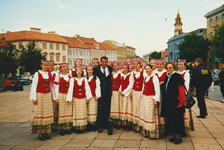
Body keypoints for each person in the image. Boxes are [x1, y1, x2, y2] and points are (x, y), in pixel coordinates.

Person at [161, 61, 186, 144]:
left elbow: (181, 90)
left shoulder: (177, 76)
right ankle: (174, 135)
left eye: (170, 68)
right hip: (169, 103)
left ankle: (178, 136)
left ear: (174, 68)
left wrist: (182, 101)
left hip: (176, 103)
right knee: (171, 119)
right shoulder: (167, 76)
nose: (168, 69)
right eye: (167, 68)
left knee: (177, 120)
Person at [29, 60, 54, 141]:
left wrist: (53, 96)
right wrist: (34, 98)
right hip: (39, 95)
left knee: (47, 113)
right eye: (44, 65)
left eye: (47, 65)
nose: (46, 66)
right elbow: (34, 86)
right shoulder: (37, 74)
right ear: (41, 65)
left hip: (47, 95)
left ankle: (46, 132)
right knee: (40, 113)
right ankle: (41, 133)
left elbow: (51, 85)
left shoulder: (49, 74)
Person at [66, 66, 92, 134]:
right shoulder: (72, 80)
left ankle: (82, 127)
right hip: (75, 98)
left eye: (80, 71)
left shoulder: (84, 79)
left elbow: (87, 88)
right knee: (76, 113)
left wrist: (87, 97)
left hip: (83, 98)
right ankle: (77, 127)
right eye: (78, 71)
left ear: (82, 72)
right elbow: (70, 89)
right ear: (76, 72)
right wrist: (70, 99)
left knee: (82, 112)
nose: (79, 72)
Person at [139, 64, 161, 139]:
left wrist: (156, 100)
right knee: (145, 114)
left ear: (151, 69)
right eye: (146, 69)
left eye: (148, 68)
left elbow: (157, 89)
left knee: (150, 115)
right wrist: (142, 95)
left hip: (151, 97)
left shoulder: (154, 77)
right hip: (145, 97)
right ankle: (146, 131)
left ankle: (152, 133)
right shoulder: (145, 77)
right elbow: (143, 87)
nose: (147, 70)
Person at [93, 56, 113, 133]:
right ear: (100, 62)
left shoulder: (110, 69)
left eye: (105, 62)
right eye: (103, 62)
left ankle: (106, 124)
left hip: (108, 92)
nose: (104, 64)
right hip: (100, 92)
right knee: (100, 108)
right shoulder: (96, 69)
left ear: (107, 62)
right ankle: (99, 126)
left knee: (107, 108)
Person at [177, 59, 194, 136]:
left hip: (183, 94)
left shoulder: (186, 74)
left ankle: (184, 130)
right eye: (179, 65)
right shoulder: (176, 73)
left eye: (181, 65)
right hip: (177, 94)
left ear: (184, 66)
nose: (180, 66)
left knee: (183, 112)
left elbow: (186, 85)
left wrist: (184, 95)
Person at [56, 63, 73, 136]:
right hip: (61, 94)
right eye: (63, 67)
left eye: (66, 67)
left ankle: (67, 128)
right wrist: (56, 97)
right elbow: (56, 87)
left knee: (68, 111)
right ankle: (61, 128)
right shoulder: (58, 76)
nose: (65, 68)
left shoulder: (69, 76)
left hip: (68, 95)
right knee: (62, 111)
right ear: (61, 68)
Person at [131, 59, 147, 132]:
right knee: (135, 108)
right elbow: (132, 82)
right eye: (134, 64)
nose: (135, 66)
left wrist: (143, 92)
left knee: (141, 108)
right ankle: (136, 125)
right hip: (135, 92)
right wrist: (131, 91)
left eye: (137, 64)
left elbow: (145, 82)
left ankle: (141, 126)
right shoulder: (132, 73)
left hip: (141, 91)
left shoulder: (143, 72)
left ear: (139, 64)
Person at [86, 65, 101, 131]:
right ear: (86, 71)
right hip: (86, 97)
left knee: (93, 110)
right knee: (87, 110)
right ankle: (88, 125)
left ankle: (93, 125)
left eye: (91, 70)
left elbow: (98, 87)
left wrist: (97, 95)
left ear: (93, 71)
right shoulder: (85, 78)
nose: (90, 71)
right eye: (88, 70)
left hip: (93, 96)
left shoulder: (96, 78)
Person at [119, 64, 134, 131]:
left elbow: (131, 85)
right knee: (123, 108)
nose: (124, 70)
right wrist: (120, 90)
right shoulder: (122, 75)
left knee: (128, 109)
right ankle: (124, 123)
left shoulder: (130, 75)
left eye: (126, 68)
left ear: (128, 69)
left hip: (127, 94)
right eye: (123, 68)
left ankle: (129, 124)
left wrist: (124, 92)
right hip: (122, 94)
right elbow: (120, 84)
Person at [110, 61, 121, 128]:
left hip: (118, 92)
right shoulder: (111, 74)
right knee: (112, 107)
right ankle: (112, 122)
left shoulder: (121, 74)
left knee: (118, 106)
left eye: (116, 66)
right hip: (112, 92)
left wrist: (120, 90)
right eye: (113, 66)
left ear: (118, 66)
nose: (115, 67)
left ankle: (118, 122)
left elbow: (122, 83)